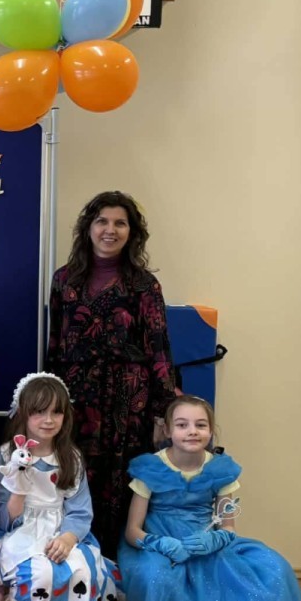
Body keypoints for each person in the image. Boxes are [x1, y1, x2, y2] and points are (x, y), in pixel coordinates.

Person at [121, 396, 301, 601]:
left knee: (273, 571)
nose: (192, 431)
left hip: (205, 538)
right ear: (168, 430)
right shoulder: (150, 469)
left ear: (211, 430)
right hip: (159, 540)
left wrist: (216, 539)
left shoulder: (221, 470)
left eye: (200, 425)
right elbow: (132, 531)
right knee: (162, 579)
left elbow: (228, 525)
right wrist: (161, 544)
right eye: (182, 425)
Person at [46, 191, 176, 557]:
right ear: (88, 227)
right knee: (75, 477)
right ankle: (77, 564)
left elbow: (159, 349)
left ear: (131, 232)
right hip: (77, 398)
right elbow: (55, 344)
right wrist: (49, 399)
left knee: (123, 483)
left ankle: (117, 570)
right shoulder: (64, 280)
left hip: (127, 402)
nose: (110, 230)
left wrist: (163, 412)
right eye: (102, 221)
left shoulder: (144, 285)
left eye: (120, 223)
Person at [0, 373, 122, 601]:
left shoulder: (70, 457)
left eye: (56, 412)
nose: (48, 420)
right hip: (21, 529)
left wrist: (68, 538)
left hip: (60, 528)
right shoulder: (6, 456)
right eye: (39, 411)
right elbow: (1, 516)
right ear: (23, 413)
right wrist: (18, 488)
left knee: (82, 568)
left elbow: (80, 511)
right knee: (35, 571)